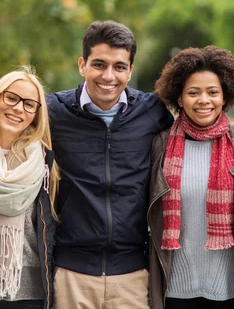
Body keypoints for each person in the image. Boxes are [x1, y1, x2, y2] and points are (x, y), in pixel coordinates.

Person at [47, 20, 173, 309]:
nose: (108, 76)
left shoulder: (152, 112)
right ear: (82, 65)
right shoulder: (53, 112)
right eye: (99, 64)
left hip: (131, 274)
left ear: (130, 70)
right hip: (70, 274)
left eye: (119, 66)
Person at [148, 46, 234, 309]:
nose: (204, 100)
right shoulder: (160, 144)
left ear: (224, 96)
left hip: (230, 288)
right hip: (174, 287)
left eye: (212, 92)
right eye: (193, 93)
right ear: (180, 99)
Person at [0, 67, 59, 309]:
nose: (18, 108)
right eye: (11, 98)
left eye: (29, 104)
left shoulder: (43, 163)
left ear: (36, 114)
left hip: (28, 290)